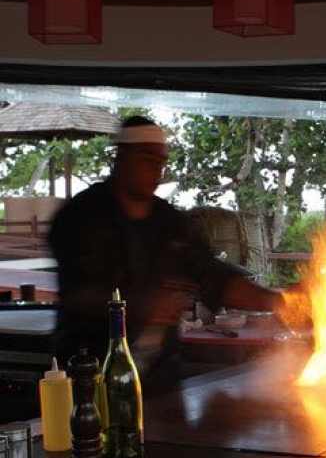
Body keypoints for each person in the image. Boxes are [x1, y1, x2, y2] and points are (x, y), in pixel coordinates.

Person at [49, 116, 283, 395]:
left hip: (160, 380)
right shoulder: (80, 217)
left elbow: (213, 276)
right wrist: (145, 305)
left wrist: (280, 302)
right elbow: (82, 295)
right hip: (91, 373)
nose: (157, 170)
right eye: (148, 159)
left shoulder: (170, 222)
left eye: (161, 161)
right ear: (122, 157)